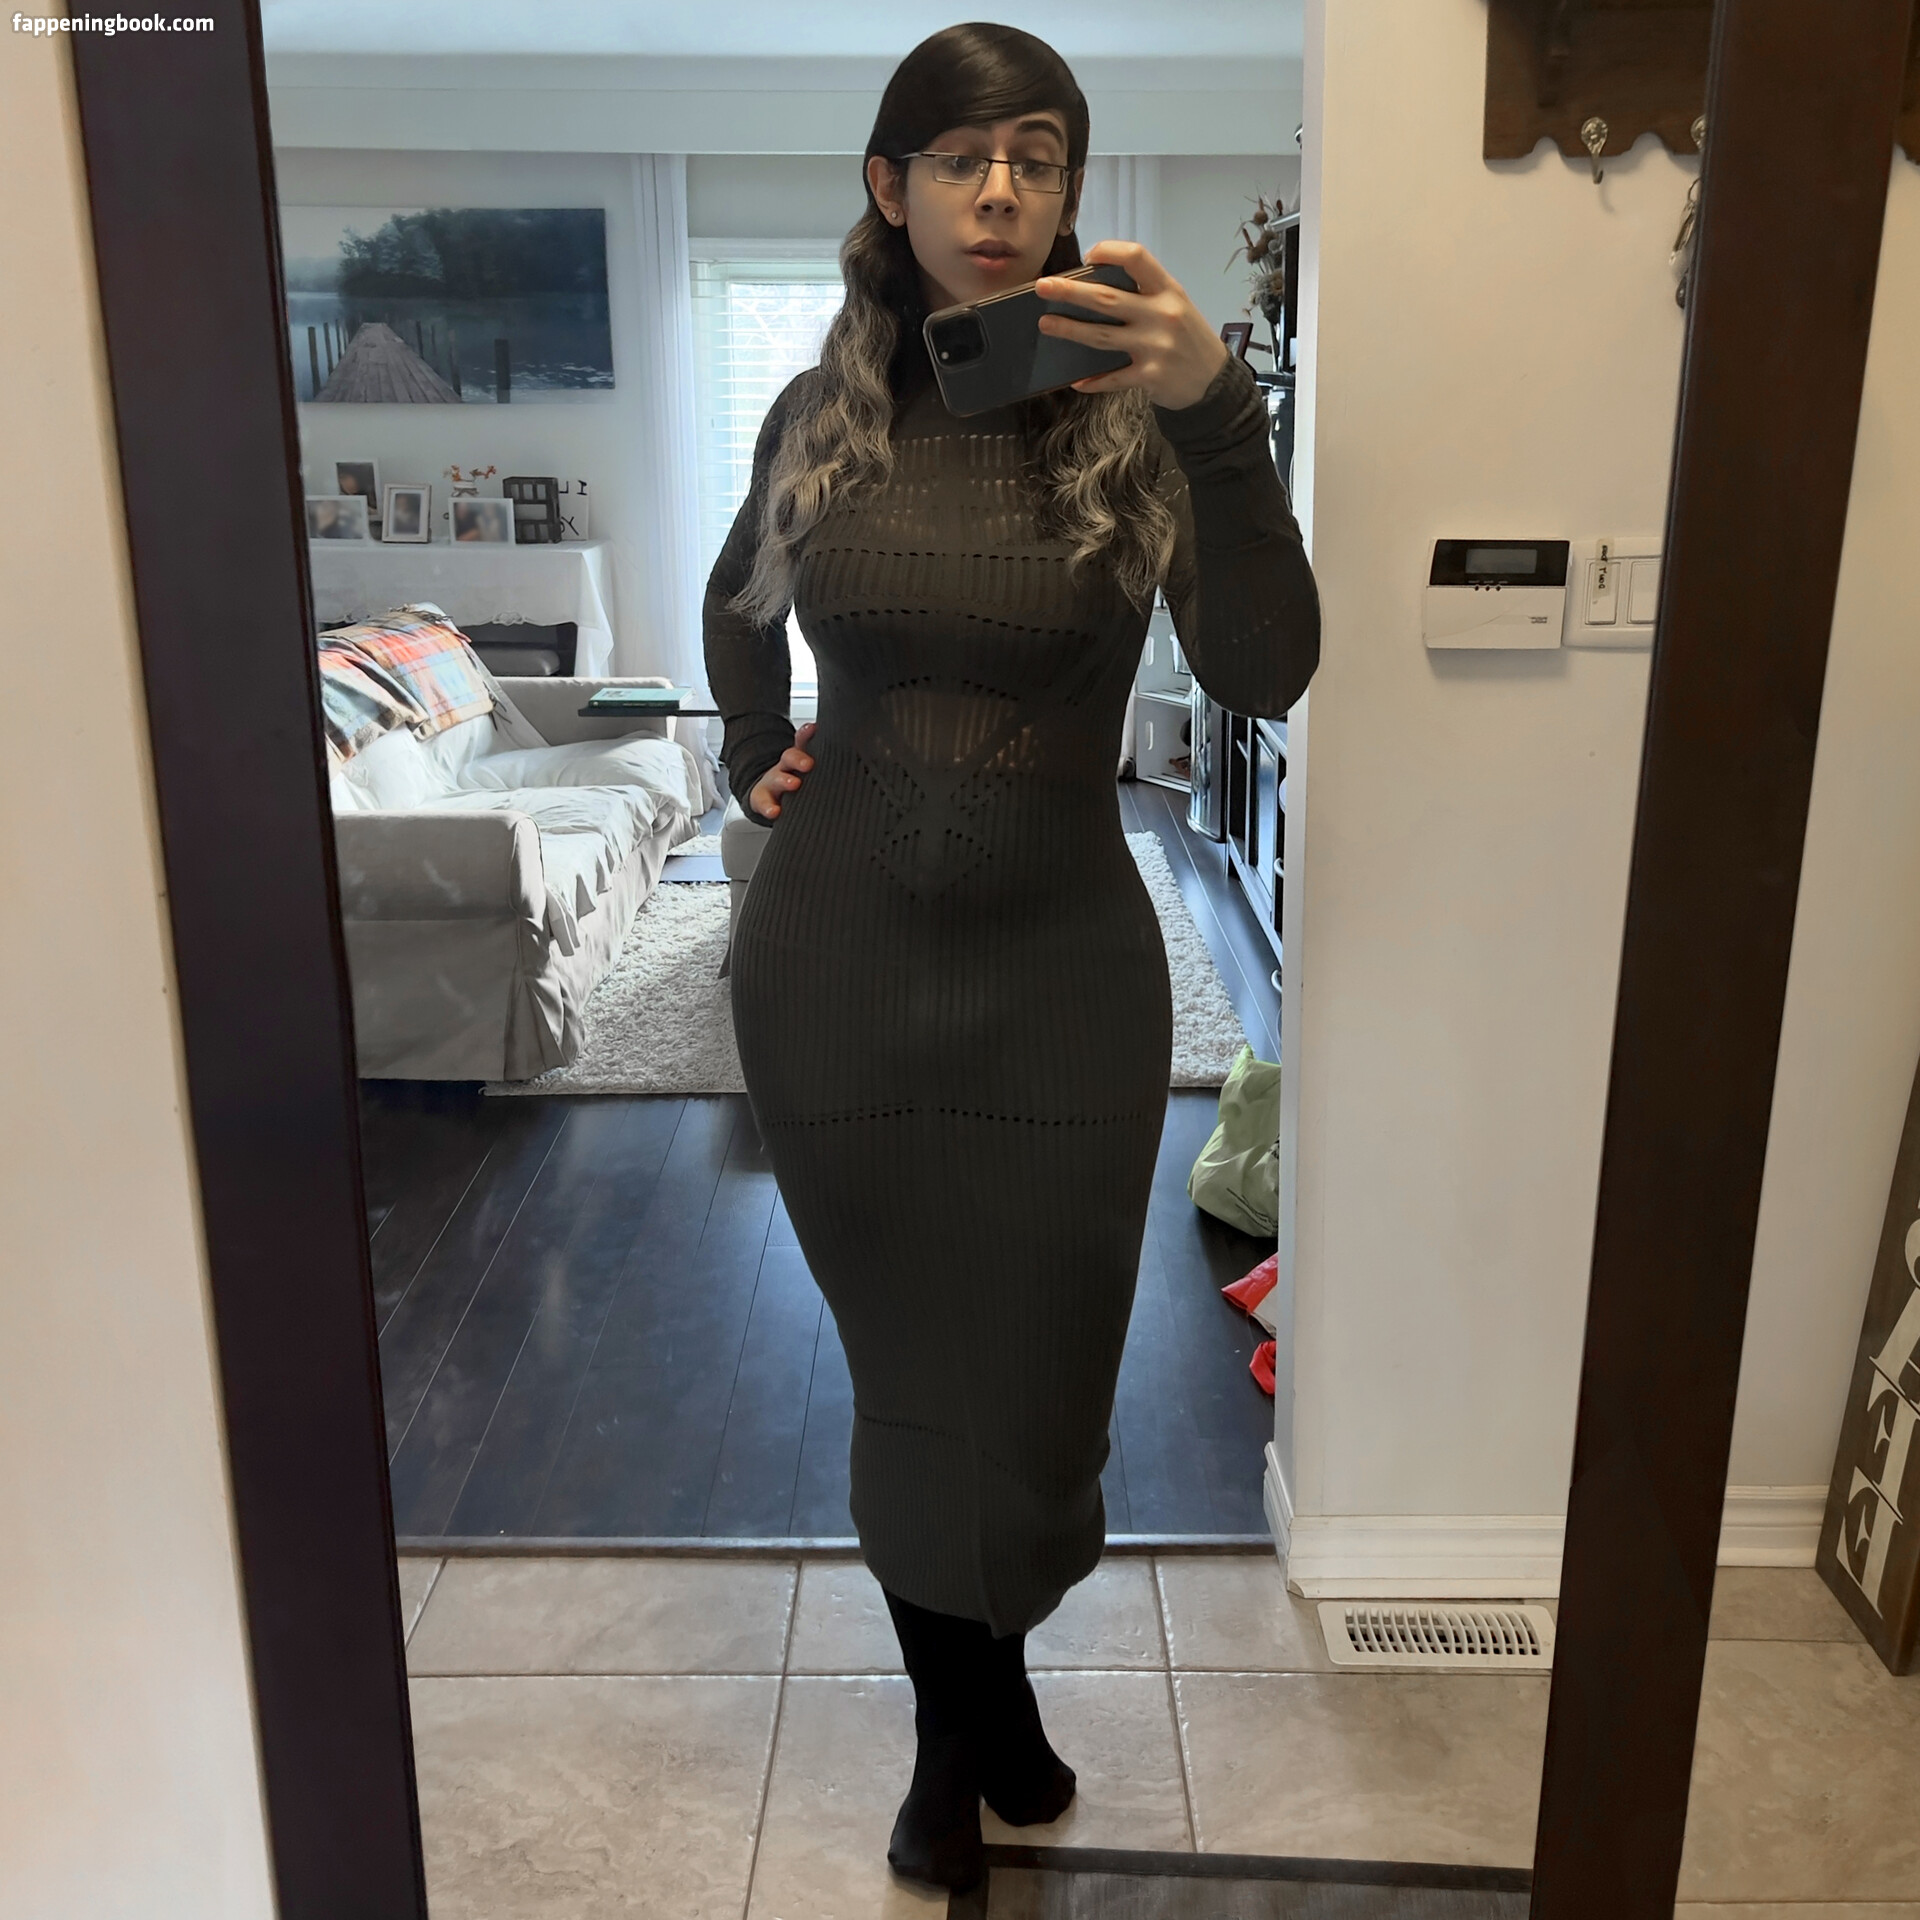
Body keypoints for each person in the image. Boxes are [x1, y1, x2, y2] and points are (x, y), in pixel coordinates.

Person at [703, 22, 1319, 1893]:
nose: (999, 192)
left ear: (1068, 193)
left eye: (1037, 157)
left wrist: (1219, 412)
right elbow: (736, 606)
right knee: (911, 1377)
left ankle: (1000, 1689)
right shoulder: (818, 418)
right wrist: (754, 750)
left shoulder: (1143, 422)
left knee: (1042, 1385)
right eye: (961, 158)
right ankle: (954, 1739)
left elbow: (1268, 664)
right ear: (888, 188)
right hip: (836, 975)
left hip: (1063, 983)